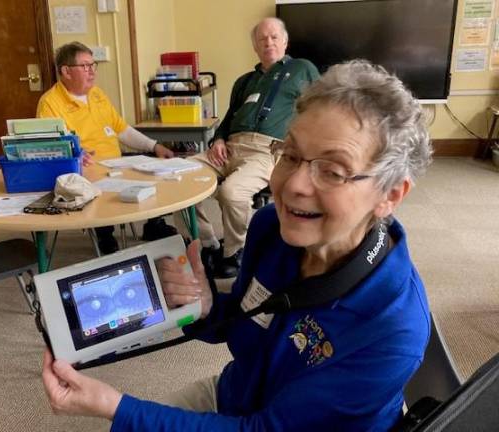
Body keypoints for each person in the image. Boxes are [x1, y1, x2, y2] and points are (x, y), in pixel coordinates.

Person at [42, 60, 432, 431]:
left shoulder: (392, 326)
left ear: (390, 195)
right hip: (238, 396)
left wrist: (114, 406)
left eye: (332, 171)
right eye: (291, 155)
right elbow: (249, 321)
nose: (294, 185)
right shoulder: (271, 228)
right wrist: (208, 307)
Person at [192, 17, 320, 279]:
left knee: (231, 193)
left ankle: (235, 251)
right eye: (262, 39)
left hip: (267, 150)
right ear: (255, 46)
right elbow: (228, 118)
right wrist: (217, 139)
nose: (268, 42)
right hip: (228, 147)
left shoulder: (301, 69)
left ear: (285, 41)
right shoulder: (244, 81)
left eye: (274, 37)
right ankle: (208, 243)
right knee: (180, 177)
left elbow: (320, 109)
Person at [37, 41, 174, 255]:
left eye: (93, 65)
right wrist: (76, 155)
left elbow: (123, 130)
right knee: (97, 185)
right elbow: (52, 146)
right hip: (86, 168)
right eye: (85, 66)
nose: (91, 71)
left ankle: (153, 224)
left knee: (155, 170)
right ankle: (104, 235)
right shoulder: (50, 103)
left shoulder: (97, 94)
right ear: (65, 71)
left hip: (117, 162)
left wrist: (154, 146)